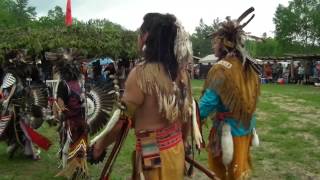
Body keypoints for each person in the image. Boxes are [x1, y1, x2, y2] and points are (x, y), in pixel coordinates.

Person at [89, 13, 193, 180]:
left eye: (139, 33)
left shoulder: (141, 74)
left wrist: (99, 147)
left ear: (145, 37)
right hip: (176, 148)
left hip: (151, 149)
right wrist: (184, 141)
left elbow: (122, 122)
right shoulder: (181, 72)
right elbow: (186, 114)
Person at [199, 7, 260, 179]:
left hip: (228, 131)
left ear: (225, 43)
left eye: (215, 41)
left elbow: (208, 103)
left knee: (219, 170)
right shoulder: (249, 66)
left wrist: (193, 114)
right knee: (240, 169)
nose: (213, 45)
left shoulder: (221, 69)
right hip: (246, 127)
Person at [54, 52, 89, 179]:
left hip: (72, 122)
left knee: (67, 146)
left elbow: (60, 106)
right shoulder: (79, 83)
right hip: (80, 120)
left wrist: (60, 116)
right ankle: (76, 168)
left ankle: (70, 170)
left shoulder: (64, 84)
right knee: (79, 146)